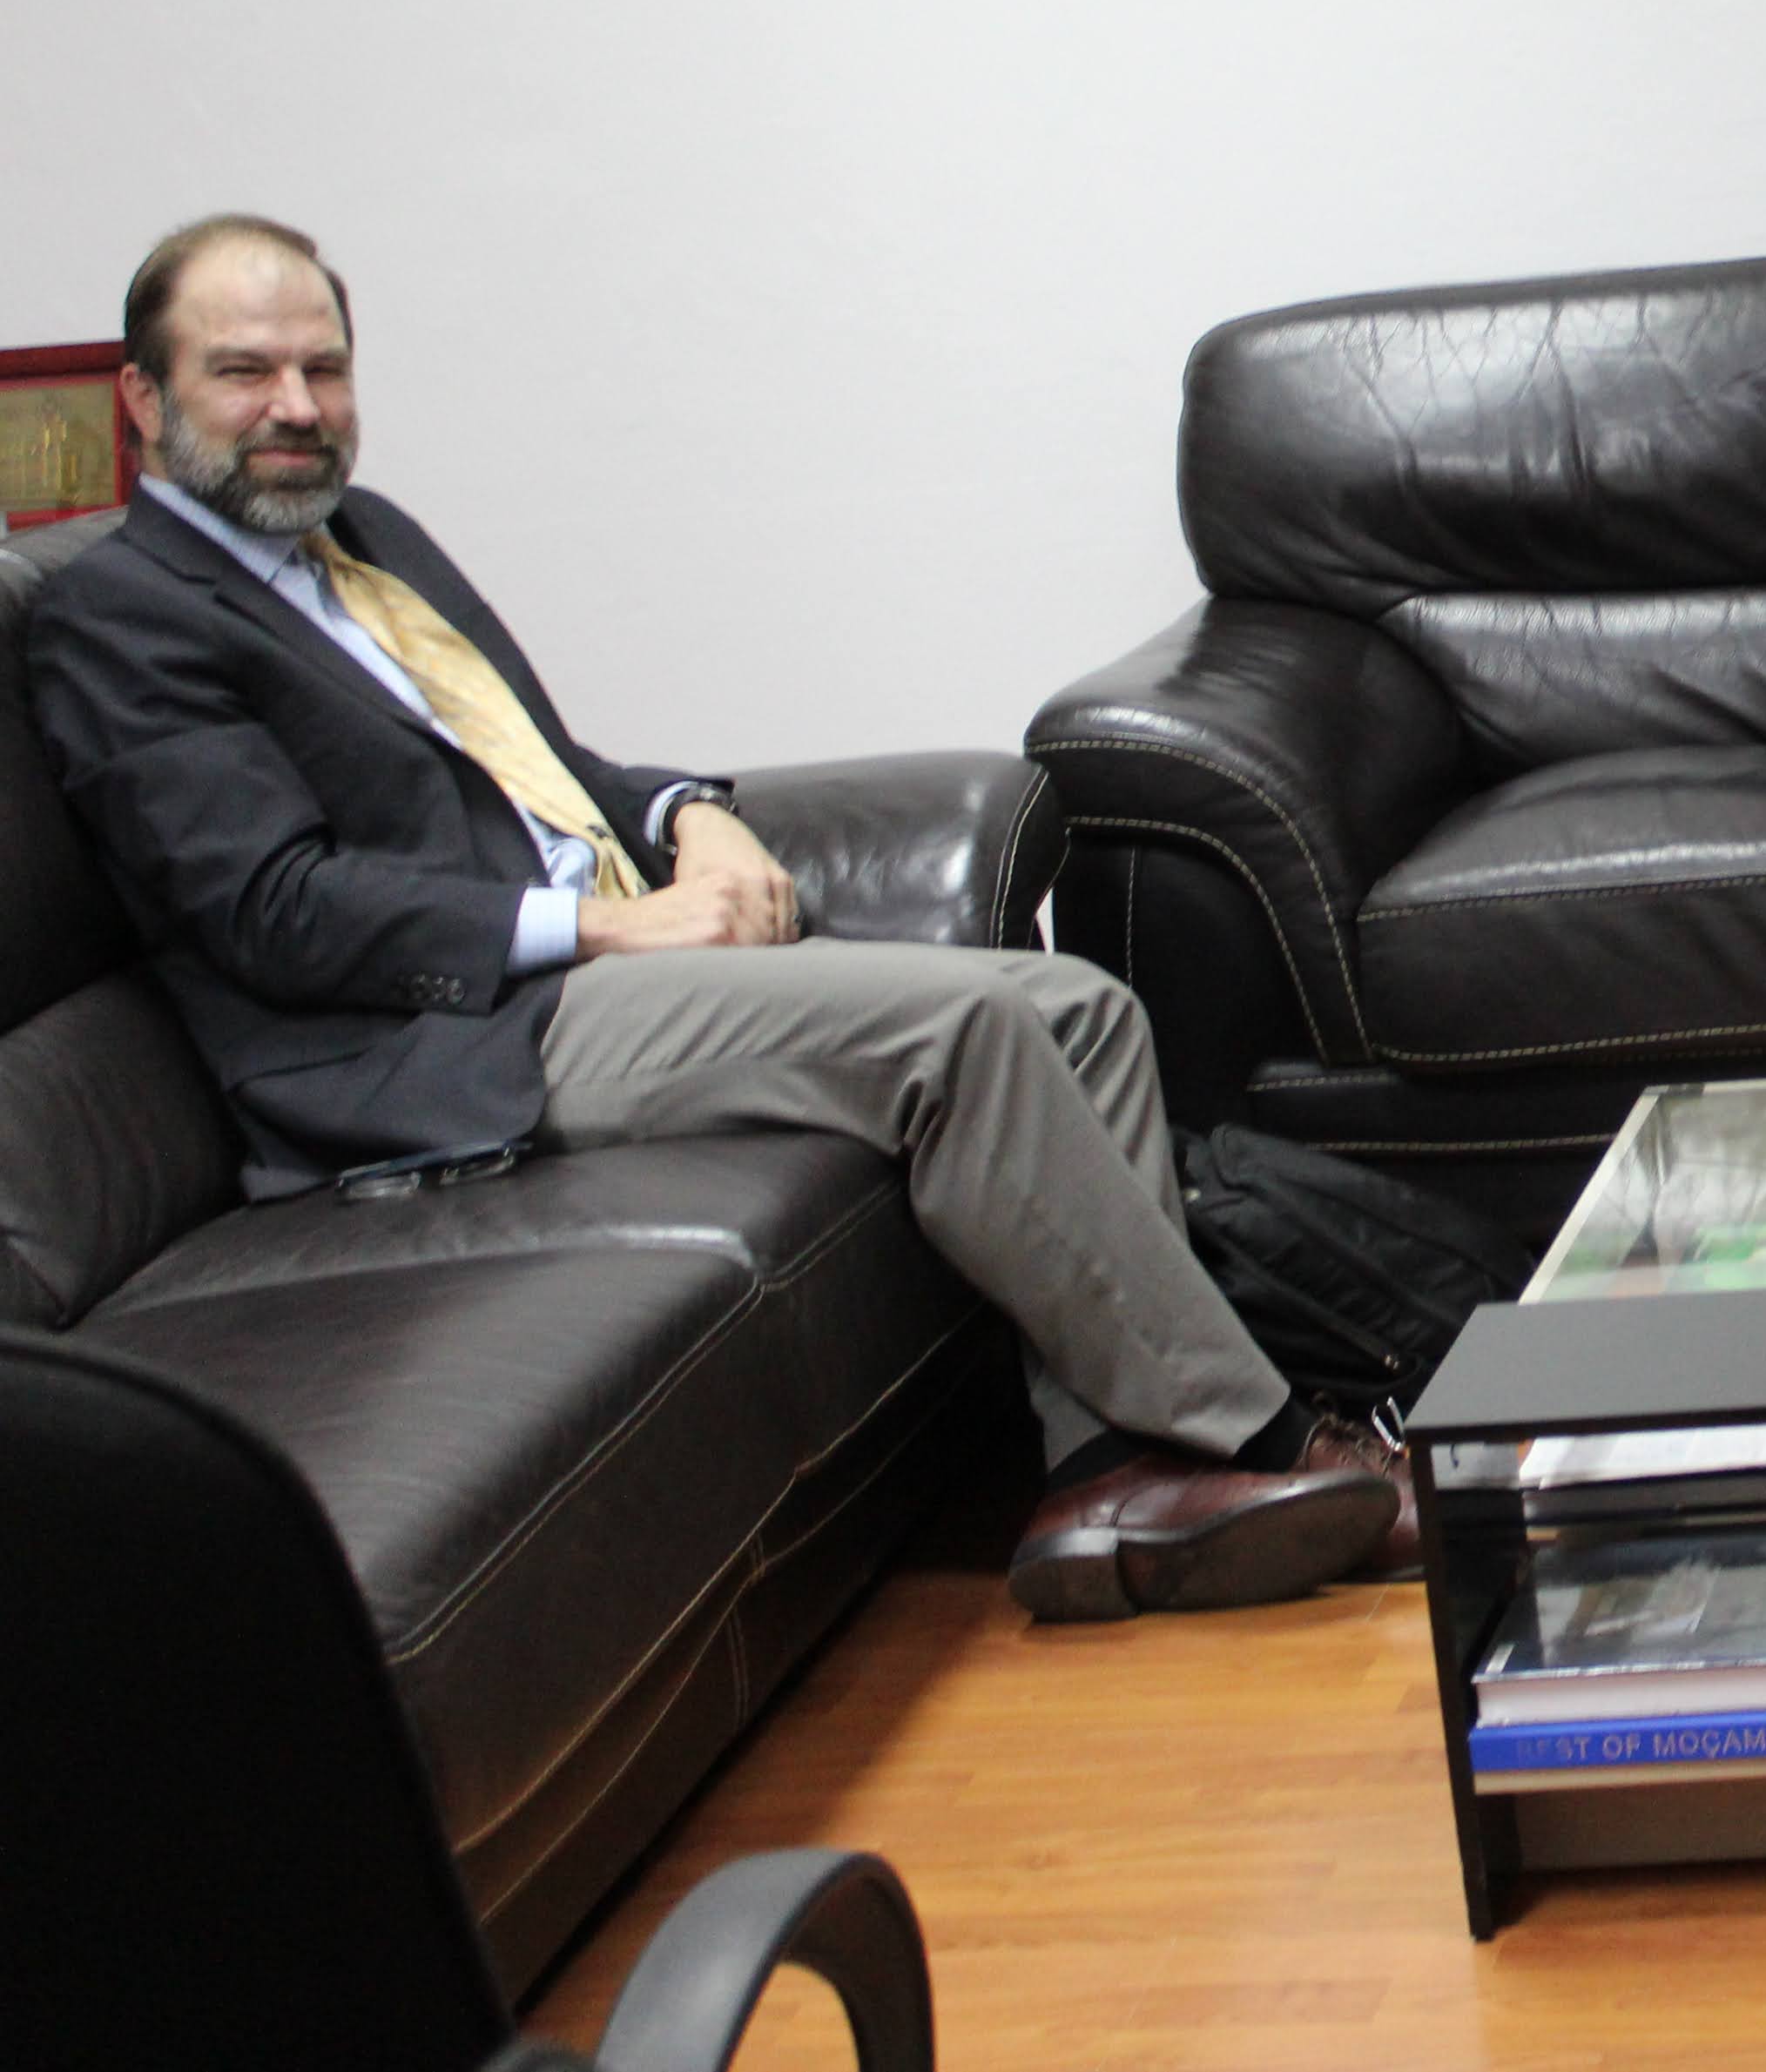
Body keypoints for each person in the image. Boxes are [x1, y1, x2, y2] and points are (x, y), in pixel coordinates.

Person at [26, 216, 1409, 1623]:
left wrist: (694, 812)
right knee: (972, 1029)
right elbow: (276, 911)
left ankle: (1111, 1476)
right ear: (143, 399)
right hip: (434, 1043)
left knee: (1076, 1006)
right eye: (244, 372)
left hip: (576, 970)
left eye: (324, 367)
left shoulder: (364, 548)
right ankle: (1276, 1443)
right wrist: (611, 933)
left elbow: (546, 775)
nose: (298, 409)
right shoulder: (118, 619)